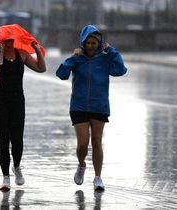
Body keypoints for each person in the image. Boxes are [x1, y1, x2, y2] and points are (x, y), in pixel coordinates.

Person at [56, 25, 127, 191]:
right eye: (87, 42)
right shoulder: (77, 58)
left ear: (99, 43)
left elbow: (121, 70)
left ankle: (98, 177)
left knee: (96, 141)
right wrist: (72, 58)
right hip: (78, 106)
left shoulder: (105, 58)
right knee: (82, 143)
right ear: (82, 42)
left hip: (99, 105)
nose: (90, 46)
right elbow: (61, 74)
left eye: (93, 43)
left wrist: (113, 52)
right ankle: (81, 165)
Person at [0, 24, 46, 192]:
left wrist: (37, 51)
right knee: (4, 139)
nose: (9, 43)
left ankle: (16, 167)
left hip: (17, 101)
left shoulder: (22, 55)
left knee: (17, 139)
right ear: (1, 41)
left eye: (11, 40)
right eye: (5, 41)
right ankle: (5, 178)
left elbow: (41, 68)